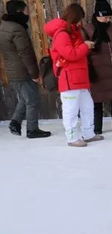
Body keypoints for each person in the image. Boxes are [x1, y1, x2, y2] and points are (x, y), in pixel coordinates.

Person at [44, 4, 103, 147]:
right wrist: (85, 46)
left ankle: (88, 133)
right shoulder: (62, 34)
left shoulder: (72, 32)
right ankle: (72, 137)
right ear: (74, 18)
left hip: (80, 78)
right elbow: (69, 54)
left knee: (87, 106)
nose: (80, 23)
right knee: (71, 110)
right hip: (69, 79)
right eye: (79, 19)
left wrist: (84, 45)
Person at [0, 0, 51, 138]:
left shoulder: (4, 26)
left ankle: (15, 122)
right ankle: (32, 129)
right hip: (22, 70)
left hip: (13, 70)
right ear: (19, 11)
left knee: (25, 98)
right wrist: (34, 74)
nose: (27, 13)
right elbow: (25, 53)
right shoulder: (17, 29)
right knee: (32, 99)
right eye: (25, 10)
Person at [83, 0, 112, 134]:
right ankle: (97, 128)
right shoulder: (88, 29)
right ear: (97, 15)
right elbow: (82, 47)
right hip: (97, 69)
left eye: (109, 17)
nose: (107, 19)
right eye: (105, 16)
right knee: (97, 100)